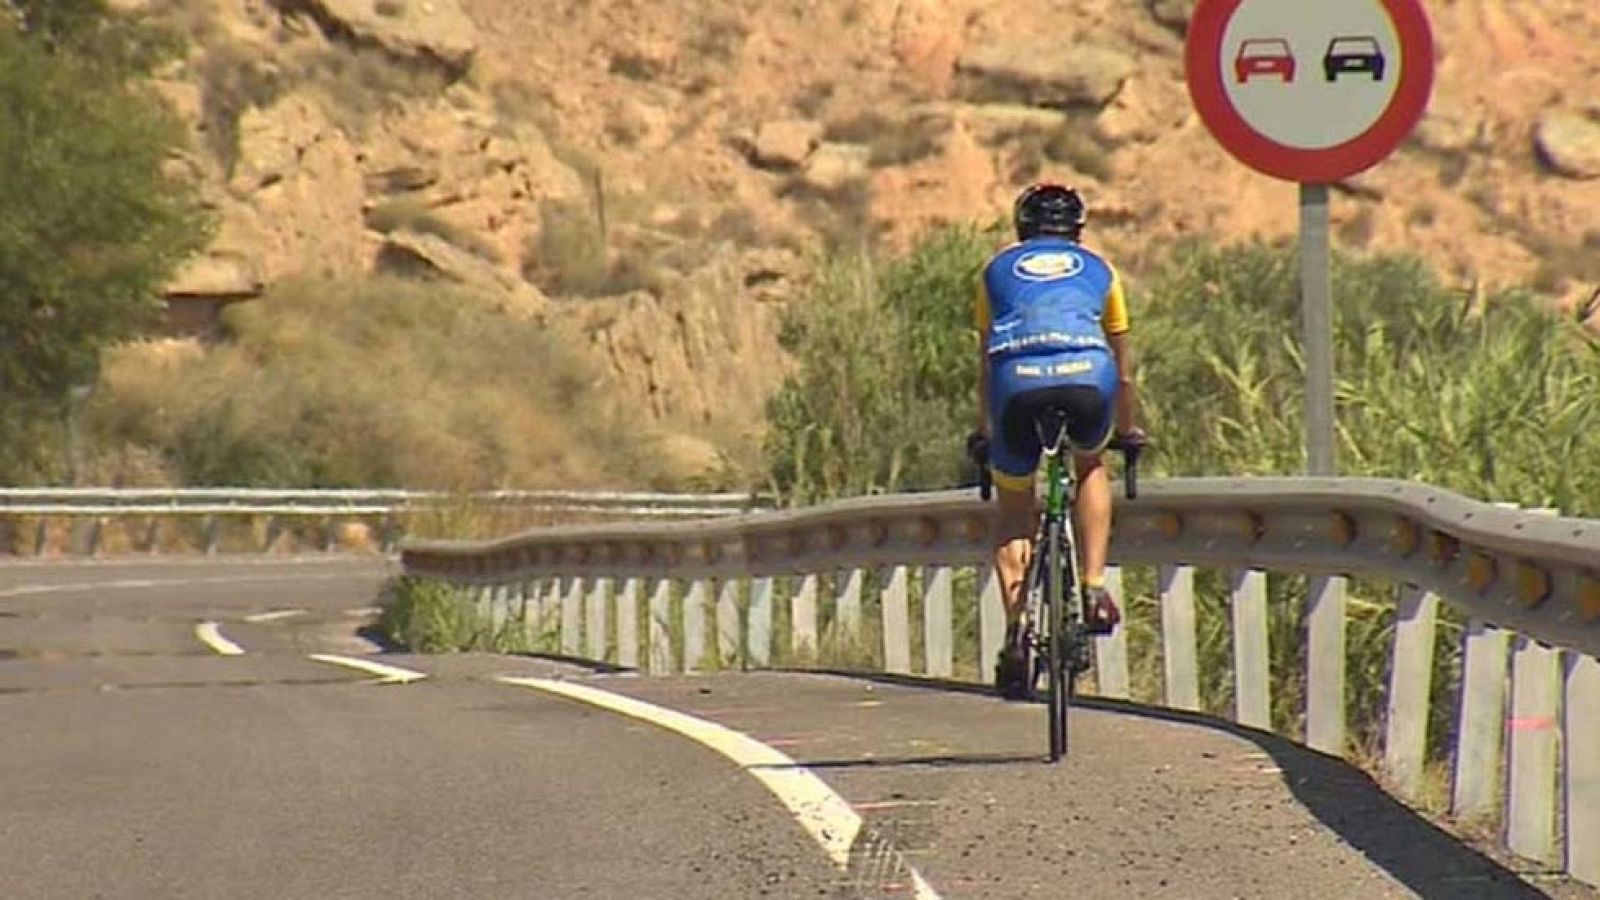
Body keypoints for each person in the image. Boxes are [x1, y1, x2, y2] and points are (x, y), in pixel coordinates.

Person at [968, 182, 1145, 699]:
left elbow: (986, 360)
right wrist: (1128, 429)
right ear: (1078, 230)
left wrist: (985, 431)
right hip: (1088, 375)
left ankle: (1018, 631)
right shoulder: (1101, 270)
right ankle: (1091, 589)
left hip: (1014, 381)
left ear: (1021, 228)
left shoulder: (996, 270)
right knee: (1090, 463)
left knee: (1013, 506)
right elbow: (1124, 368)